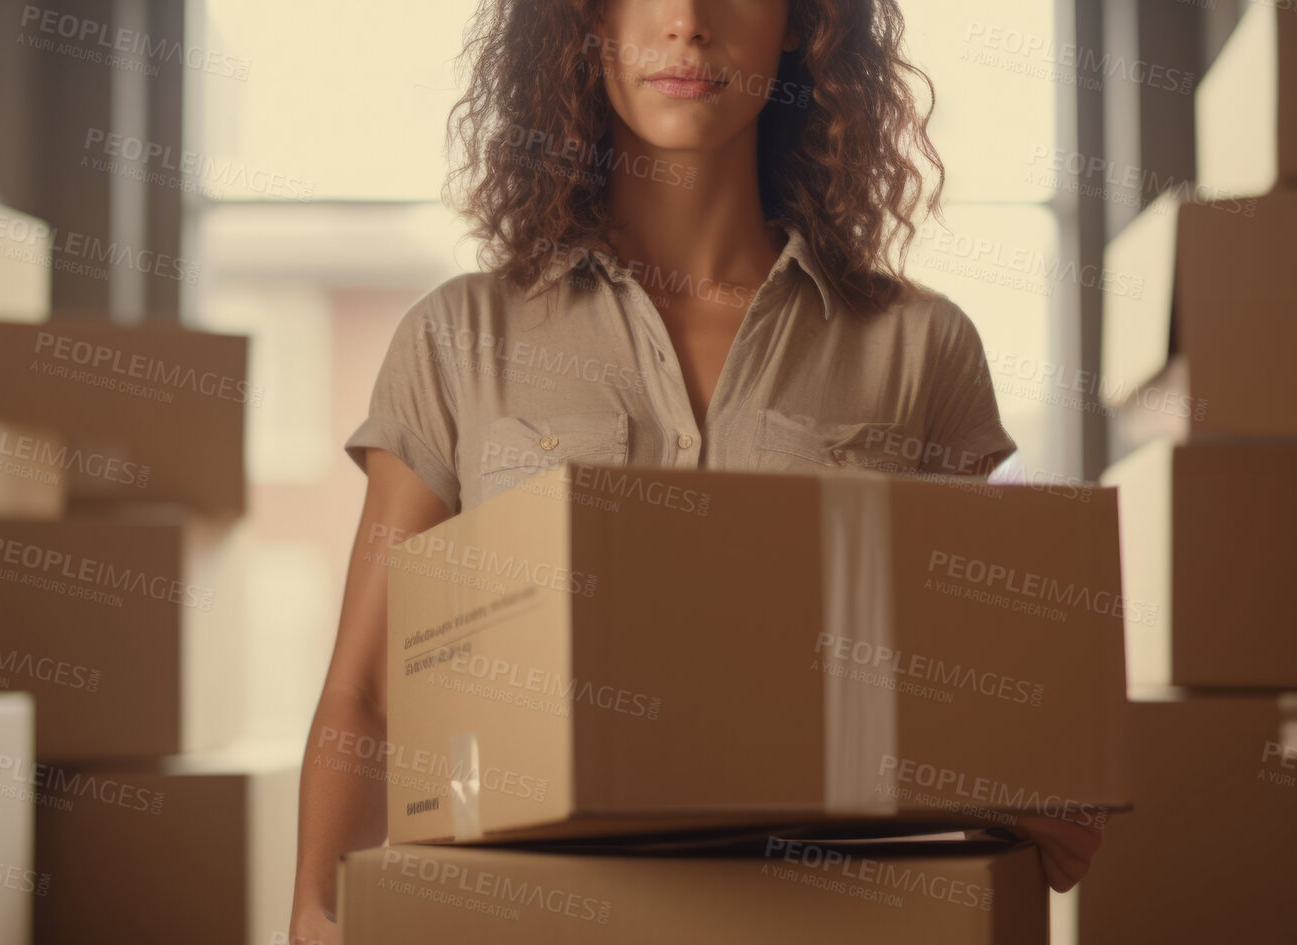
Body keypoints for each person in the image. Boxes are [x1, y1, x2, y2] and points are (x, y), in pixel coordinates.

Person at [289, 2, 1098, 939]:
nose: (685, 21)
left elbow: (982, 688)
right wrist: (313, 911)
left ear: (801, 25)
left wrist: (1038, 780)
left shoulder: (920, 349)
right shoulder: (459, 339)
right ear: (582, 26)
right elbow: (366, 691)